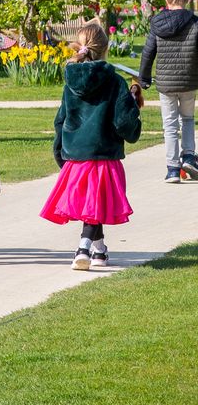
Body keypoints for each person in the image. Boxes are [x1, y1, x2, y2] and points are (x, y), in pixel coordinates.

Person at [42, 22, 143, 270]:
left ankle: (99, 250)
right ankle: (83, 247)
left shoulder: (71, 81)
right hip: (102, 153)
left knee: (92, 204)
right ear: (105, 48)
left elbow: (61, 120)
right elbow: (123, 122)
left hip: (77, 153)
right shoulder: (115, 82)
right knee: (94, 204)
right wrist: (132, 107)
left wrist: (60, 151)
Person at [138, 0, 198, 182]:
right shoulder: (194, 22)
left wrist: (143, 77)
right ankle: (189, 155)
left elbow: (148, 52)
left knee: (170, 124)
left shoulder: (157, 23)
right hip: (189, 81)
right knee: (188, 119)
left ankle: (173, 169)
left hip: (165, 83)